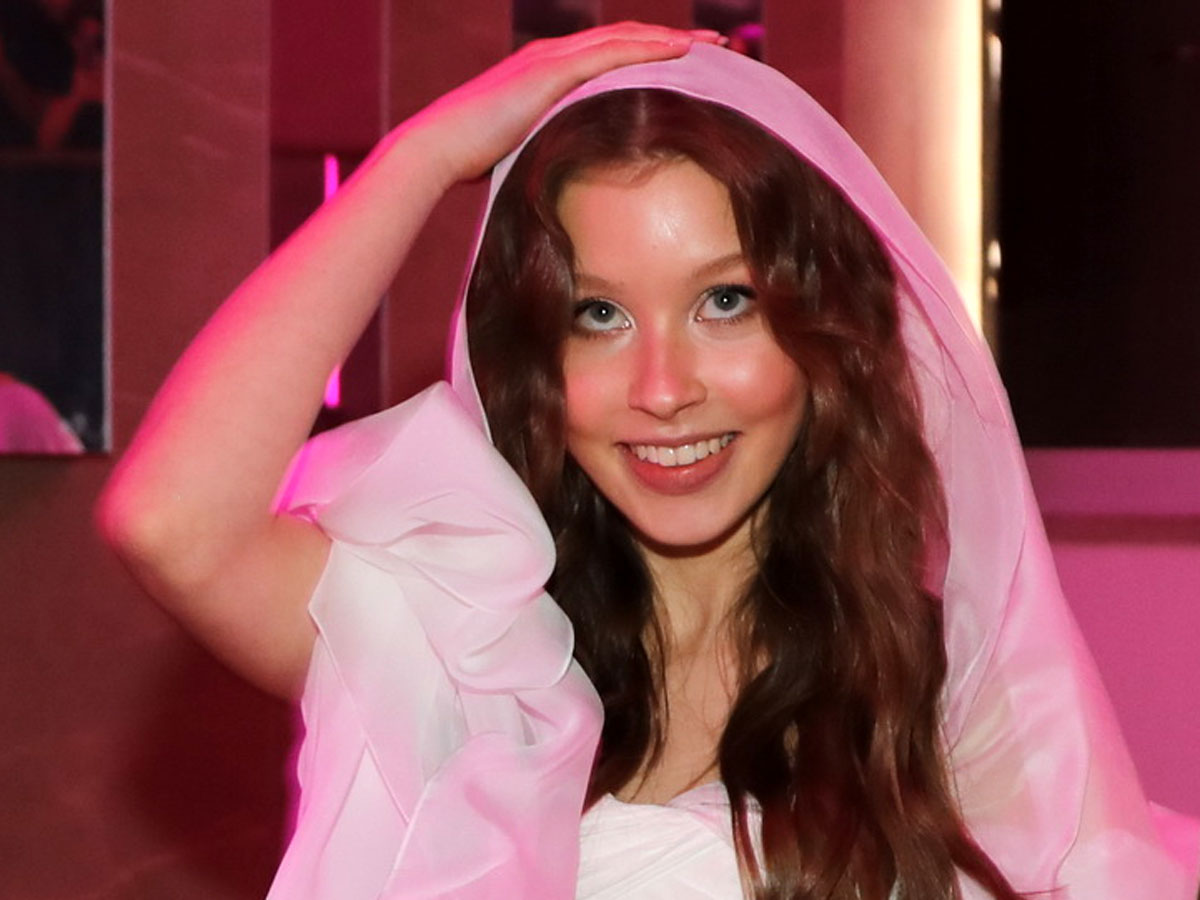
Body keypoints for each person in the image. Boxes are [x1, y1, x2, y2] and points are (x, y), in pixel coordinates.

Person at [98, 23, 1200, 899]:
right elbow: (171, 523)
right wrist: (422, 156)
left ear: (824, 333)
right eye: (598, 316)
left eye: (726, 302)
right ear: (536, 359)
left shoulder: (945, 691)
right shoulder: (466, 649)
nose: (663, 388)